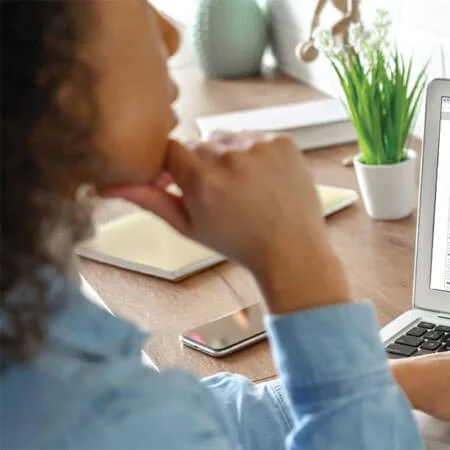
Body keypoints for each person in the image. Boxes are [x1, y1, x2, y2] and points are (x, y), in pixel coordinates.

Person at [1, 1, 449, 449]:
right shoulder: (51, 403)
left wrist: (392, 381)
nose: (172, 35)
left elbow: (173, 426)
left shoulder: (33, 316)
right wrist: (297, 266)